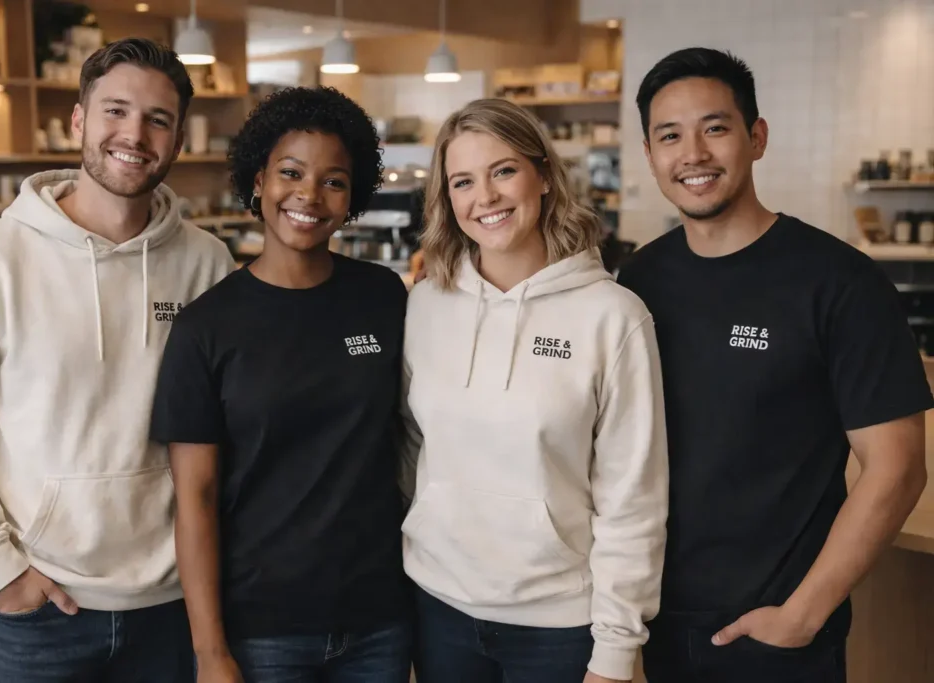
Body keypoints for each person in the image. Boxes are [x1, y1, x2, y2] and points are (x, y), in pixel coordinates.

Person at [0, 37, 235, 682]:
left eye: (157, 119)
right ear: (80, 120)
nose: (134, 134)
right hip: (38, 612)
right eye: (115, 110)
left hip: (175, 606)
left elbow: (232, 428)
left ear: (176, 139)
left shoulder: (208, 265)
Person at [617, 47, 932, 683]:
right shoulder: (641, 278)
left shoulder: (839, 281)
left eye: (716, 127)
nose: (694, 154)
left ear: (756, 138)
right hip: (651, 618)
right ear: (650, 155)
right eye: (669, 135)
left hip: (773, 632)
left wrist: (802, 616)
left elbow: (897, 468)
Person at [399, 98, 669, 683]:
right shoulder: (424, 305)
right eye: (463, 182)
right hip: (437, 608)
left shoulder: (613, 316)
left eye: (503, 171)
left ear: (543, 175)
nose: (485, 198)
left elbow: (634, 497)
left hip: (559, 627)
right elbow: (411, 449)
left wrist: (617, 651)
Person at [149, 86, 412, 683]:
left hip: (379, 618)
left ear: (354, 196)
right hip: (262, 628)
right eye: (291, 172)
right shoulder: (205, 328)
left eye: (334, 181)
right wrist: (211, 652)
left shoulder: (382, 298)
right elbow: (196, 501)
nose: (309, 196)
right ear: (260, 179)